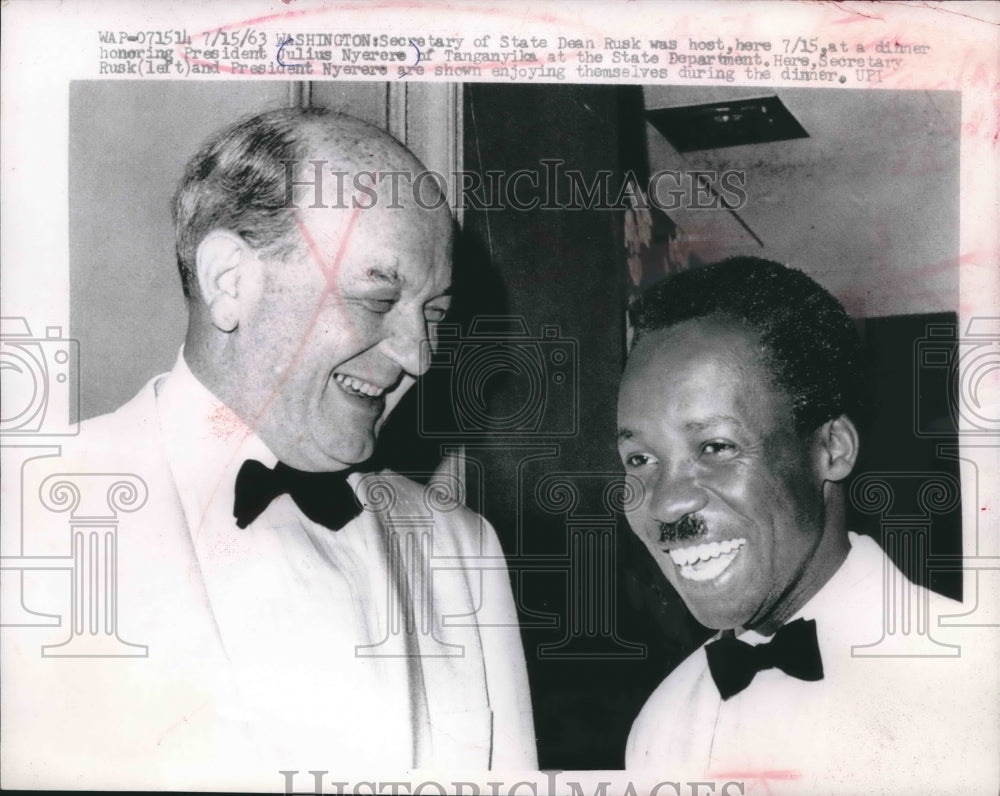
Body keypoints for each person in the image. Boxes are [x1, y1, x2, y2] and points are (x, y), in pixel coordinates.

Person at [3, 108, 536, 790]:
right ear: (231, 281)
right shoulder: (25, 510)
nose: (419, 357)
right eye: (378, 298)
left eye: (433, 314)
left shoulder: (463, 550)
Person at [617, 257, 996, 793]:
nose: (665, 505)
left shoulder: (979, 683)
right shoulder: (662, 722)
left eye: (716, 447)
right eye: (639, 460)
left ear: (830, 450)